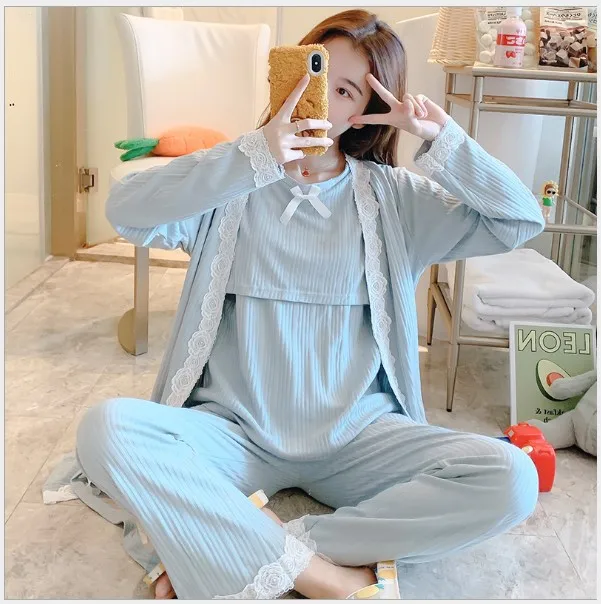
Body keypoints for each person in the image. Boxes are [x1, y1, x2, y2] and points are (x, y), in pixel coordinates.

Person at [75, 9, 545, 600]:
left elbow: (519, 220)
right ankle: (326, 576)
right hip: (234, 434)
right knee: (107, 429)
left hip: (358, 438)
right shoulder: (232, 182)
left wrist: (441, 137)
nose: (316, 99)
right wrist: (252, 156)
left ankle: (262, 543)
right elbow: (125, 210)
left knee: (511, 476)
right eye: (312, 72)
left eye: (344, 90)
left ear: (366, 111)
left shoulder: (395, 200)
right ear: (284, 73)